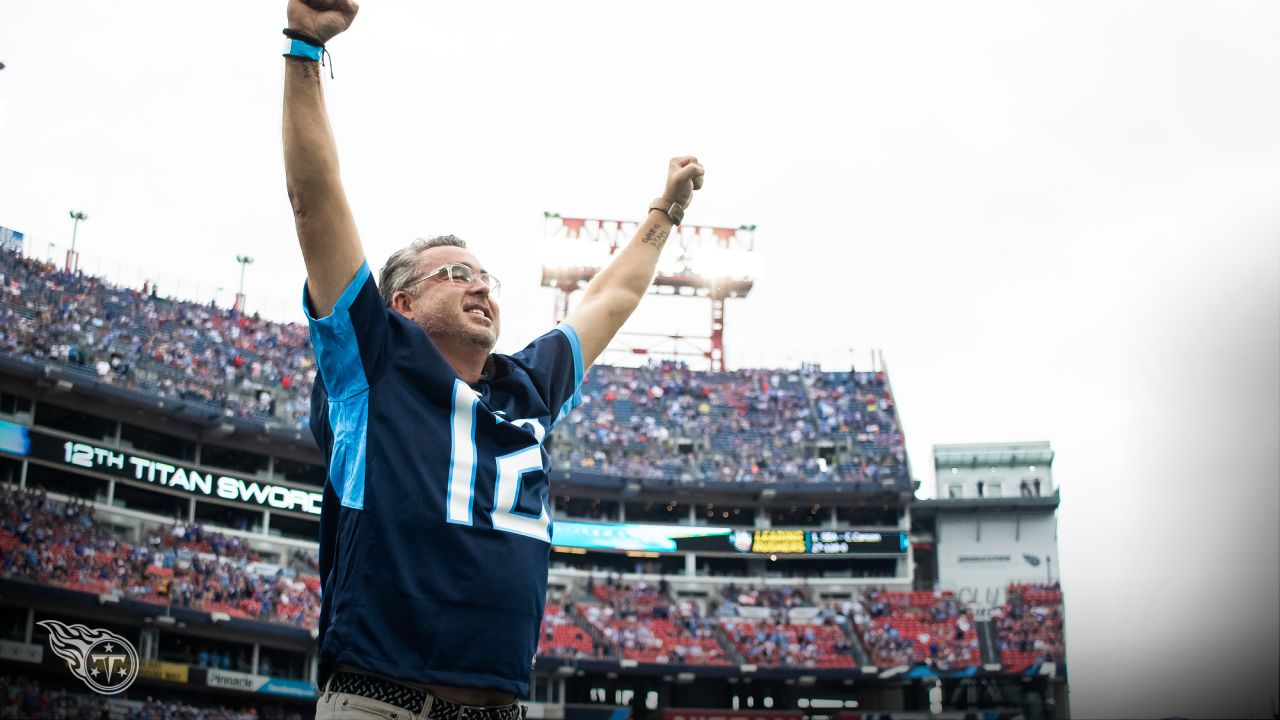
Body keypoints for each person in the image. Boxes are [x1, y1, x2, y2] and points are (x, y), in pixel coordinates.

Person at [280, 1, 705, 717]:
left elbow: (611, 298)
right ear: (402, 306)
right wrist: (303, 49)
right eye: (455, 274)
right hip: (381, 701)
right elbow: (314, 202)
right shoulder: (374, 367)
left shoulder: (527, 387)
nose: (479, 284)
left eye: (484, 276)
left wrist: (665, 212)